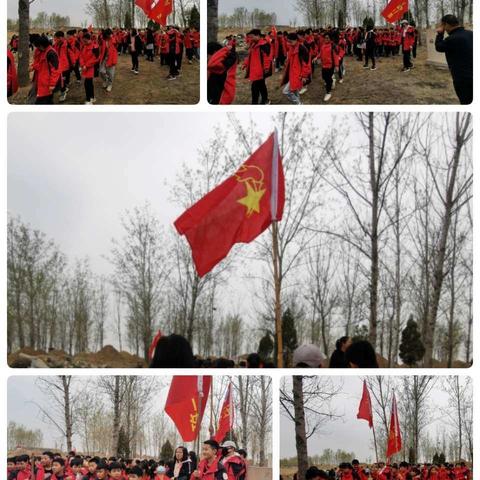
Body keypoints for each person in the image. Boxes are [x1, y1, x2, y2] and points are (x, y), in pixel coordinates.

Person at [435, 14, 473, 104]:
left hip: (463, 79)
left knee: (466, 102)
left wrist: (440, 33)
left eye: (443, 25)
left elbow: (439, 47)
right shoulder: (471, 34)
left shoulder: (451, 39)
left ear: (446, 25)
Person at [242, 29, 271, 105]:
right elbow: (250, 56)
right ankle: (265, 100)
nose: (250, 39)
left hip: (260, 71)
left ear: (258, 35)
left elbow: (267, 57)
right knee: (261, 86)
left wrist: (266, 68)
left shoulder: (264, 45)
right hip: (254, 70)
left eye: (252, 37)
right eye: (250, 37)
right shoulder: (254, 44)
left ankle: (256, 103)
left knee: (255, 88)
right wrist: (245, 64)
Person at [281, 32, 310, 105]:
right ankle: (299, 103)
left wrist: (304, 76)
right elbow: (290, 58)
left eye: (290, 42)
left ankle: (298, 103)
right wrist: (287, 61)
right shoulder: (292, 47)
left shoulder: (302, 49)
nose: (289, 43)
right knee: (295, 90)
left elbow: (306, 64)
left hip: (298, 75)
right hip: (292, 72)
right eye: (288, 42)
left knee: (286, 91)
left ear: (296, 40)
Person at [31, 35, 61, 104]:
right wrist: (33, 67)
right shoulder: (43, 51)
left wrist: (52, 84)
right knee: (48, 101)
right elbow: (41, 65)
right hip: (43, 81)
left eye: (38, 46)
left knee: (41, 101)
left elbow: (56, 70)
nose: (37, 48)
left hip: (47, 83)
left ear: (41, 45)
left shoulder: (51, 53)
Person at [317, 33, 338, 102]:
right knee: (324, 77)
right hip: (324, 65)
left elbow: (335, 57)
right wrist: (317, 57)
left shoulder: (332, 46)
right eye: (325, 38)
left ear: (330, 39)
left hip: (330, 66)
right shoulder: (323, 46)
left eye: (327, 38)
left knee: (328, 79)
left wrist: (337, 65)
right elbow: (320, 53)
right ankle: (332, 80)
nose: (326, 39)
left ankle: (328, 92)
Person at [79, 33, 99, 104]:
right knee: (89, 83)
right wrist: (82, 64)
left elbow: (95, 58)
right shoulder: (83, 46)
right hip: (85, 67)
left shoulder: (95, 47)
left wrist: (86, 65)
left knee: (87, 84)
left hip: (91, 68)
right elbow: (80, 55)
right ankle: (92, 98)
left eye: (85, 41)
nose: (84, 42)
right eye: (83, 41)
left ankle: (89, 99)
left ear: (89, 39)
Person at [99, 28, 118, 93]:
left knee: (110, 73)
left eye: (110, 34)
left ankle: (110, 84)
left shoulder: (113, 40)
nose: (110, 35)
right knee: (101, 71)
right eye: (109, 34)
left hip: (112, 58)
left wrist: (113, 36)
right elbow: (101, 50)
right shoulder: (103, 40)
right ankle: (105, 80)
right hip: (104, 58)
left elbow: (116, 42)